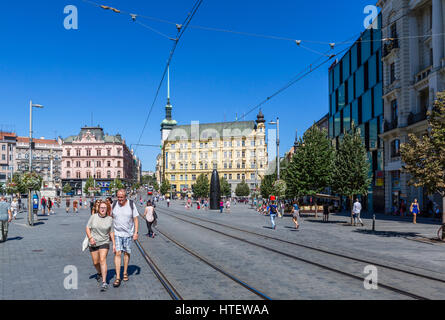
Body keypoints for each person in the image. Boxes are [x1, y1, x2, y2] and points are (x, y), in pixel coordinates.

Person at [111, 189, 139, 287]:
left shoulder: (131, 204)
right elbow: (110, 218)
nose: (120, 199)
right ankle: (118, 277)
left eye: (121, 197)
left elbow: (135, 219)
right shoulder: (114, 205)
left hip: (128, 234)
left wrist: (135, 232)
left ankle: (125, 272)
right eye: (118, 197)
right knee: (118, 253)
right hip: (117, 233)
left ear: (125, 197)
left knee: (126, 253)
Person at [85, 200, 115, 292]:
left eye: (104, 208)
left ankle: (104, 282)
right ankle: (99, 273)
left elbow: (111, 232)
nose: (103, 209)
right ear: (98, 208)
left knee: (102, 260)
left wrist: (114, 244)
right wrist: (90, 238)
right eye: (101, 207)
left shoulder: (110, 219)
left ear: (107, 209)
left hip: (104, 242)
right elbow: (87, 228)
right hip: (93, 242)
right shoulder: (93, 217)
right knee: (95, 262)